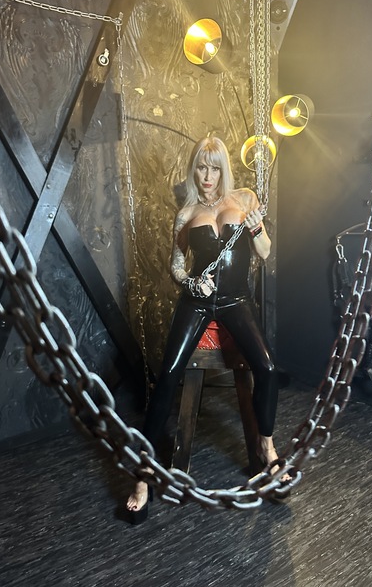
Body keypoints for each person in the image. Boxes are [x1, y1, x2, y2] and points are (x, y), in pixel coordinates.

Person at [126, 136, 287, 522]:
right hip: (197, 302)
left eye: (215, 168)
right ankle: (143, 476)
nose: (208, 176)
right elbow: (176, 266)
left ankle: (267, 447)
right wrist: (190, 283)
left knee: (267, 369)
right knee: (167, 376)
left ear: (224, 169)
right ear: (193, 169)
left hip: (236, 300)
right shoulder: (186, 214)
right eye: (201, 167)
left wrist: (256, 230)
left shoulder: (244, 199)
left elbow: (265, 253)